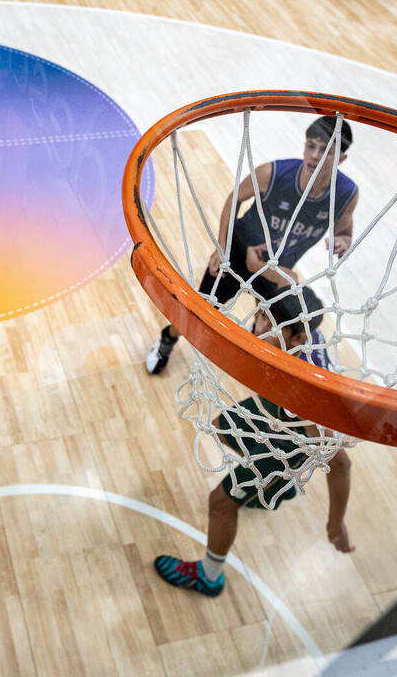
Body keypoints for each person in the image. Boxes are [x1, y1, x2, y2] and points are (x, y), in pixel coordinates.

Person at [154, 260, 354, 597]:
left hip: (294, 438)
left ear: (298, 338)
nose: (257, 324)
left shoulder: (309, 396)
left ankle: (209, 576)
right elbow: (290, 280)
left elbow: (341, 463)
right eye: (260, 314)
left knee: (220, 502)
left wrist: (336, 522)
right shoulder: (299, 326)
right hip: (277, 409)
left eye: (268, 323)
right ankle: (279, 486)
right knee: (222, 428)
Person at [146, 116, 359, 374]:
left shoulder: (346, 193)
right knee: (197, 314)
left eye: (325, 151)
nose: (314, 155)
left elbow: (344, 224)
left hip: (275, 269)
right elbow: (234, 198)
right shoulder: (273, 173)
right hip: (236, 255)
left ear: (340, 159)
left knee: (290, 326)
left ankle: (270, 357)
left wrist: (344, 238)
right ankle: (168, 338)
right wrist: (222, 246)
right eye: (311, 146)